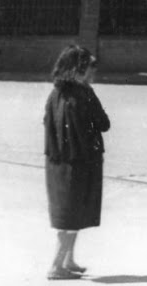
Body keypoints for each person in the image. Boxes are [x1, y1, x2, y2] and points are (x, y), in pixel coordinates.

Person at [43, 44, 109, 280]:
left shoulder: (55, 94)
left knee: (69, 214)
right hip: (81, 163)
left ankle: (68, 260)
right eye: (90, 68)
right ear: (79, 70)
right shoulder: (85, 94)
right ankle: (56, 265)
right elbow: (104, 123)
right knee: (71, 216)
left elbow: (48, 126)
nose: (93, 73)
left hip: (57, 164)